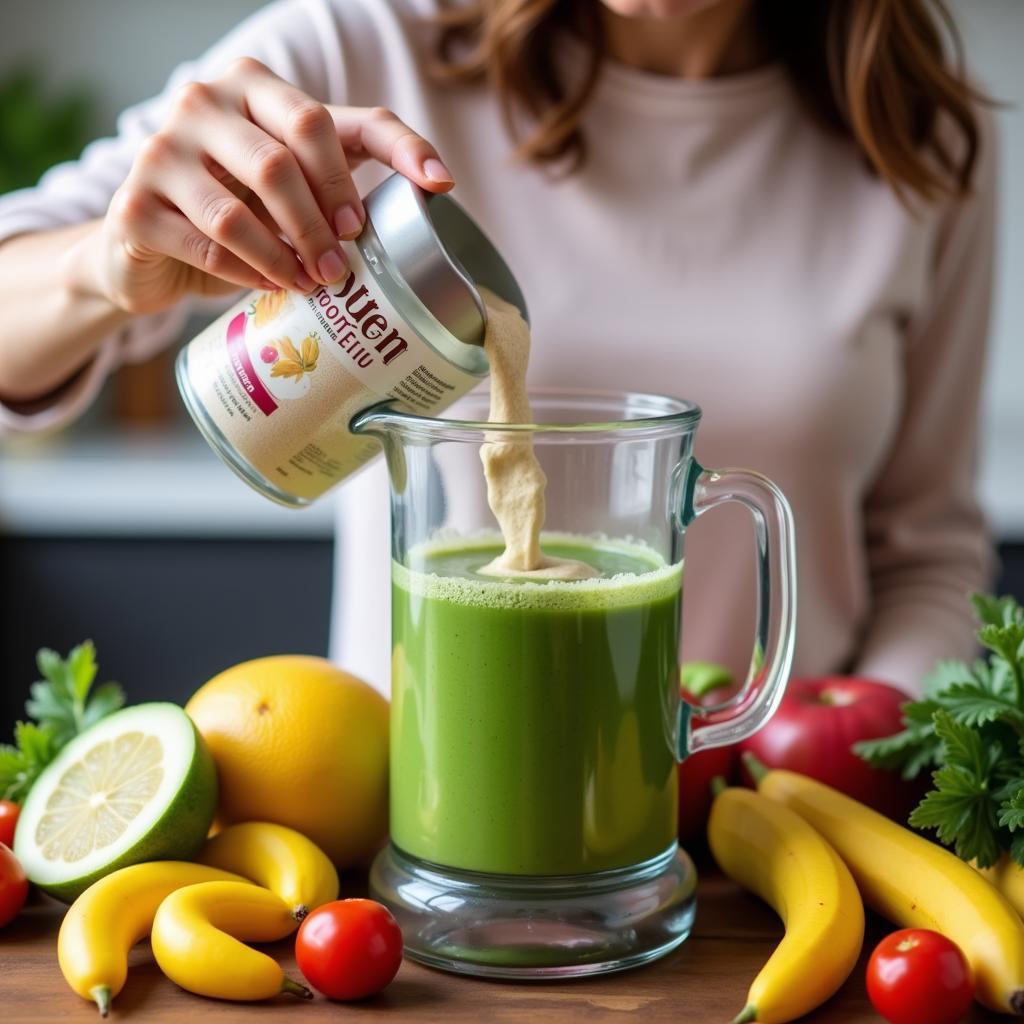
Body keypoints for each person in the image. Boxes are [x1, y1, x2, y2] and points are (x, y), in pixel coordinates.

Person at [0, 0, 996, 695]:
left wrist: (847, 761)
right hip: (422, 838)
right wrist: (99, 267)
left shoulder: (918, 140)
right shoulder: (359, 51)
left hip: (769, 841)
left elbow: (926, 549)